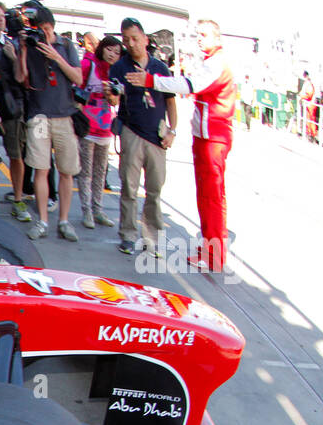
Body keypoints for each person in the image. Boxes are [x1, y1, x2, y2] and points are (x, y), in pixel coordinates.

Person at [127, 18, 234, 270]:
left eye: (204, 35)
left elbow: (189, 85)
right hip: (207, 137)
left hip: (213, 138)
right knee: (208, 196)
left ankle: (213, 255)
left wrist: (151, 81)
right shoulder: (211, 62)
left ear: (217, 39)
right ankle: (210, 247)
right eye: (198, 34)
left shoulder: (216, 64)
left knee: (211, 197)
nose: (199, 38)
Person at [111, 17, 177, 255]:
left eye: (135, 39)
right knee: (128, 188)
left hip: (157, 135)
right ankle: (127, 235)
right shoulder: (119, 67)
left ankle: (152, 238)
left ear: (145, 39)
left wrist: (173, 130)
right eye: (126, 39)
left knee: (155, 190)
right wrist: (113, 94)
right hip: (131, 132)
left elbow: (170, 101)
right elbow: (113, 98)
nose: (131, 44)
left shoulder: (160, 68)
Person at [18, 4, 83, 240]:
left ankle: (64, 221)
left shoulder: (66, 45)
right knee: (41, 169)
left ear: (53, 27)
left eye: (46, 29)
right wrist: (24, 49)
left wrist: (56, 57)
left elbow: (78, 78)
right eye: (39, 29)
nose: (43, 34)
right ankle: (43, 221)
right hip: (39, 116)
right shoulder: (31, 45)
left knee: (67, 171)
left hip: (64, 115)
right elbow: (21, 79)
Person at [0, 1, 31, 222]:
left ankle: (18, 198)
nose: (1, 19)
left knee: (16, 154)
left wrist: (15, 57)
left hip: (12, 105)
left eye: (3, 16)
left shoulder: (12, 45)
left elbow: (22, 78)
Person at [78, 35, 122, 230]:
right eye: (109, 49)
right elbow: (77, 90)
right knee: (85, 171)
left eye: (117, 52)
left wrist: (112, 95)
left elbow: (116, 102)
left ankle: (98, 209)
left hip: (105, 129)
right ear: (101, 48)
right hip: (88, 128)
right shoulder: (89, 65)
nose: (112, 55)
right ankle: (86, 210)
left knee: (100, 172)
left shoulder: (116, 72)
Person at [300, 71, 318, 141]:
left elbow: (309, 95)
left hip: (311, 104)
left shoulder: (309, 84)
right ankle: (308, 132)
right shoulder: (306, 83)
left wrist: (302, 96)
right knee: (308, 119)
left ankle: (313, 134)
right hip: (308, 103)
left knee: (311, 119)